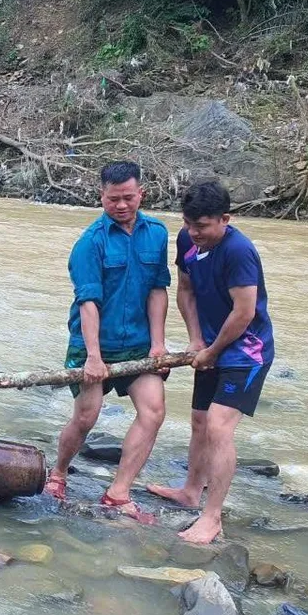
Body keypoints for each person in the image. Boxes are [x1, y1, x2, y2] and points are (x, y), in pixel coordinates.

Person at [147, 180, 275, 544]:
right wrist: (195, 339)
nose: (193, 232)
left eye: (201, 226)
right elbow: (185, 290)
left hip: (246, 352)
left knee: (219, 427)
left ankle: (212, 517)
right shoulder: (188, 241)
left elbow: (244, 312)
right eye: (188, 223)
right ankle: (190, 490)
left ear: (225, 219)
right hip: (211, 345)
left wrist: (213, 351)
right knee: (199, 421)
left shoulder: (239, 251)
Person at [43, 161, 171, 521]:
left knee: (154, 411)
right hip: (92, 344)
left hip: (138, 345)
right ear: (101, 196)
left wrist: (158, 345)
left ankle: (119, 492)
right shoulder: (90, 243)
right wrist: (94, 357)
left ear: (140, 194)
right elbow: (89, 303)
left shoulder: (157, 234)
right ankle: (59, 472)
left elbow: (158, 290)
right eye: (113, 199)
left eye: (128, 198)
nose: (121, 206)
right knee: (86, 417)